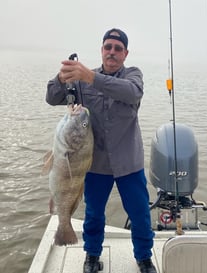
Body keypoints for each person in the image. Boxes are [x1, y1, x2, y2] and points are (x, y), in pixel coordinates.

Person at [46, 28, 156, 273]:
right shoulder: (83, 79)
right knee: (94, 214)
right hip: (93, 163)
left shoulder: (132, 76)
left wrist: (90, 77)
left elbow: (132, 93)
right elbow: (52, 97)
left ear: (125, 54)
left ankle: (144, 257)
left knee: (140, 215)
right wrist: (62, 78)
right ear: (102, 50)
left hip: (129, 163)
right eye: (108, 47)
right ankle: (92, 255)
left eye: (118, 48)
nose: (112, 52)